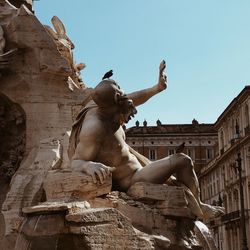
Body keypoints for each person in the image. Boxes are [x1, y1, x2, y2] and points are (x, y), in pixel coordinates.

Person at [68, 60, 224, 219]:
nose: (124, 118)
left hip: (140, 164)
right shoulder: (94, 128)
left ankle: (198, 203)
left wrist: (157, 88)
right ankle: (200, 209)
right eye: (121, 113)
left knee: (178, 173)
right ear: (109, 108)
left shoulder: (107, 102)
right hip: (132, 179)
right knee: (182, 160)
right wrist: (88, 165)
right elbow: (75, 161)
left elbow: (134, 98)